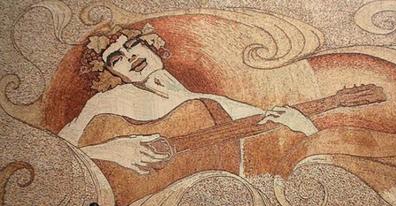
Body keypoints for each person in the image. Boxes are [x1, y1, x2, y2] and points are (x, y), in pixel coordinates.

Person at [58, 24, 319, 175]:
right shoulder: (107, 102)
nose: (130, 57)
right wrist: (111, 150)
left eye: (134, 45)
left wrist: (304, 126)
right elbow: (55, 153)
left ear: (151, 45)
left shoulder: (205, 101)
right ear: (110, 73)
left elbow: (266, 123)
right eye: (116, 59)